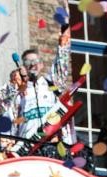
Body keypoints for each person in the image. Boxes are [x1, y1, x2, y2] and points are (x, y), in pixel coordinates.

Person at [12, 2, 76, 147]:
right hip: (28, 151)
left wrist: (65, 27)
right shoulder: (18, 92)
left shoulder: (52, 83)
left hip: (53, 146)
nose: (33, 65)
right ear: (23, 67)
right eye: (28, 63)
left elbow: (62, 60)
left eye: (36, 61)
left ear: (41, 65)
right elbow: (13, 124)